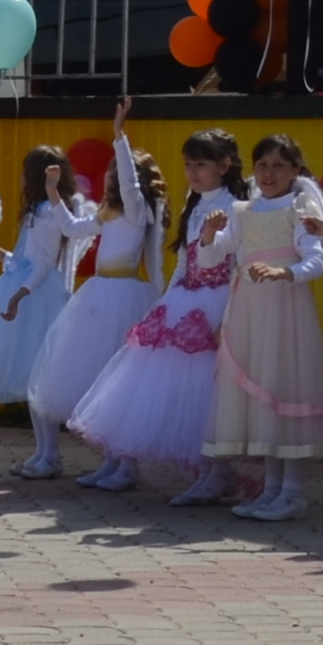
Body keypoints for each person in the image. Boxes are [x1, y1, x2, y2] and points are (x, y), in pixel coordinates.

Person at [67, 125, 241, 496]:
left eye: (201, 164)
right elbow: (183, 261)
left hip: (216, 299)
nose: (193, 172)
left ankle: (215, 470)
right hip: (185, 297)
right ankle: (171, 468)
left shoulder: (233, 207)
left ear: (225, 165)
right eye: (188, 164)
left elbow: (235, 264)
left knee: (208, 391)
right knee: (158, 376)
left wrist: (226, 314)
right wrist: (166, 301)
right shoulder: (194, 204)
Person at [207, 135, 323, 516]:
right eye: (263, 165)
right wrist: (208, 238)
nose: (269, 173)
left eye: (279, 165)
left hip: (285, 310)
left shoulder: (299, 211)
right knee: (263, 395)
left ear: (295, 171)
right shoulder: (244, 210)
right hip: (250, 310)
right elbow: (214, 255)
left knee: (285, 387)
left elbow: (315, 261)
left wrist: (283, 272)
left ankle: (294, 492)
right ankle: (270, 491)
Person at [22, 136, 161, 481]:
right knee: (99, 381)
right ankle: (111, 460)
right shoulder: (108, 213)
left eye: (119, 171)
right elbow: (71, 227)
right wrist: (53, 191)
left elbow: (129, 186)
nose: (113, 177)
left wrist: (120, 137)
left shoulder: (137, 210)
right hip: (100, 295)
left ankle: (127, 465)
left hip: (124, 296)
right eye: (112, 171)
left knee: (120, 383)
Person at [0, 146, 86, 419]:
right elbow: (22, 263)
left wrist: (19, 295)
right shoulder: (36, 212)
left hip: (37, 297)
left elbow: (42, 265)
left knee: (38, 374)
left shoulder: (49, 214)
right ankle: (43, 452)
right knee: (31, 377)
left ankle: (48, 452)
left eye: (25, 173)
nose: (21, 179)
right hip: (27, 290)